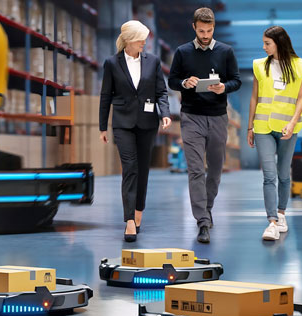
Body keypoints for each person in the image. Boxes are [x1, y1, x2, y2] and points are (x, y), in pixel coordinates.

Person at [167, 7, 240, 243]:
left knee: (215, 170)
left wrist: (224, 87)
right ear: (194, 28)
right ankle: (202, 222)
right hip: (192, 117)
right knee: (196, 170)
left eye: (209, 31)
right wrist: (185, 83)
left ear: (213, 28)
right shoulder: (182, 52)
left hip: (218, 117)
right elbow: (172, 80)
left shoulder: (226, 52)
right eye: (201, 31)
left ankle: (207, 209)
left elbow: (236, 80)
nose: (205, 35)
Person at [98, 20, 170, 243]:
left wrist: (165, 113)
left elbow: (161, 92)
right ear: (129, 39)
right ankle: (129, 219)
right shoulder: (112, 63)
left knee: (143, 169)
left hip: (147, 123)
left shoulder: (153, 61)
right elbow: (105, 96)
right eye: (141, 39)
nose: (144, 42)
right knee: (130, 168)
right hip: (123, 123)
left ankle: (139, 210)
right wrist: (103, 126)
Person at [247, 26, 302, 241]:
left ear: (279, 43)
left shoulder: (300, 65)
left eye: (267, 43)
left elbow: (301, 98)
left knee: (284, 175)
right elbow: (254, 97)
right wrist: (249, 127)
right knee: (269, 175)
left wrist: (292, 123)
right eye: (264, 43)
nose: (264, 47)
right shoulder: (258, 65)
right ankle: (272, 222)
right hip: (263, 126)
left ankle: (282, 214)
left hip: (287, 128)